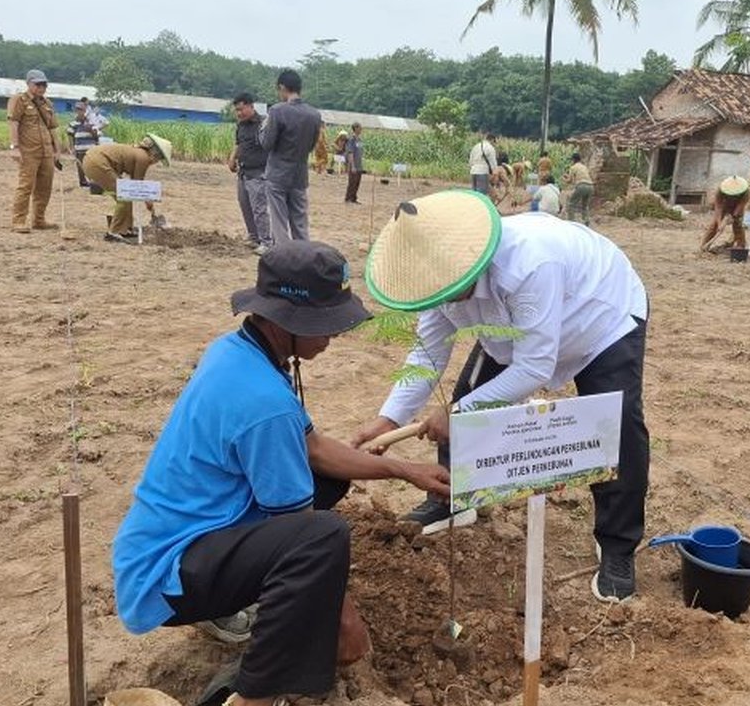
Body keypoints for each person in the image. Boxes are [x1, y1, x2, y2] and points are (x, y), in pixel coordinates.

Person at [112, 242, 450, 706]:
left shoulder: (239, 352)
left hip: (173, 540)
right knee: (322, 537)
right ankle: (255, 694)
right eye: (322, 325)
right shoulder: (263, 405)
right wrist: (344, 624)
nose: (331, 336)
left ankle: (237, 603)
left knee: (327, 481)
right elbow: (303, 533)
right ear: (281, 320)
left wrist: (403, 469)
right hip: (165, 572)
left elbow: (313, 448)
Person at [352, 190, 650, 603]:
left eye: (449, 291)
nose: (441, 300)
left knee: (615, 428)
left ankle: (617, 546)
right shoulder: (433, 278)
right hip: (513, 334)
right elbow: (428, 351)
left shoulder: (529, 263)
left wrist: (458, 413)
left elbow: (534, 368)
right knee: (470, 392)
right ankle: (455, 498)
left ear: (469, 263)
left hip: (599, 321)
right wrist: (390, 418)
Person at [259, 69, 323, 243]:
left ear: (282, 87)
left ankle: (285, 258)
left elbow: (266, 144)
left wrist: (262, 128)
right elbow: (311, 145)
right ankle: (303, 258)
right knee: (300, 223)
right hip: (300, 175)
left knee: (279, 222)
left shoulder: (277, 111)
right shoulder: (314, 115)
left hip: (278, 175)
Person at [82, 134, 172, 244]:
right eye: (159, 158)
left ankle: (125, 229)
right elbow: (138, 185)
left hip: (92, 159)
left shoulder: (138, 153)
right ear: (155, 153)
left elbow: (133, 185)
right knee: (123, 197)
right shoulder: (143, 157)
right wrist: (149, 202)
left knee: (126, 195)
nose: (157, 161)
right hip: (97, 162)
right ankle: (113, 232)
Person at [7, 69, 62, 233]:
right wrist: (14, 147)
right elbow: (14, 123)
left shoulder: (47, 103)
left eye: (44, 84)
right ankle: (18, 220)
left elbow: (53, 128)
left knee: (45, 187)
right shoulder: (19, 100)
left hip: (46, 152)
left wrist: (57, 149)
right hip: (28, 151)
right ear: (29, 84)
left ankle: (39, 220)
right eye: (37, 84)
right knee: (26, 185)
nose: (41, 87)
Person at [229, 93, 273, 255]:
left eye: (241, 109)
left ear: (250, 106)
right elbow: (238, 144)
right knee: (245, 205)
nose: (239, 113)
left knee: (259, 209)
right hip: (243, 172)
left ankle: (266, 242)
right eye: (237, 110)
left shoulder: (264, 124)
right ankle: (254, 237)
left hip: (259, 173)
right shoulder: (241, 125)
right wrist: (232, 158)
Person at [700, 176, 750, 252]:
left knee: (738, 225)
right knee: (714, 225)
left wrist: (733, 216)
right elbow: (718, 207)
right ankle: (704, 245)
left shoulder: (746, 192)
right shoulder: (720, 191)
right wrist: (720, 223)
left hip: (737, 207)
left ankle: (741, 246)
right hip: (724, 205)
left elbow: (741, 205)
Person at [66, 101, 100, 189]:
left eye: (81, 110)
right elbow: (70, 136)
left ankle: (93, 182)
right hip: (79, 148)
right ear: (75, 111)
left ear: (85, 111)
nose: (79, 112)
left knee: (92, 165)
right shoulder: (72, 124)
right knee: (80, 165)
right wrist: (72, 148)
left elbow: (97, 135)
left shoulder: (91, 122)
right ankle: (83, 182)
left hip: (91, 148)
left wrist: (90, 130)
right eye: (77, 110)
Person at [563, 152, 594, 226]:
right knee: (585, 205)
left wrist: (564, 178)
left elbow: (570, 181)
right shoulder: (584, 167)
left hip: (581, 186)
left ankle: (571, 221)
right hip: (590, 186)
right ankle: (586, 220)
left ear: (573, 160)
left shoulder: (573, 167)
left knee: (571, 204)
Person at [343, 122, 364, 205]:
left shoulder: (360, 140)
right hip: (353, 164)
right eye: (360, 127)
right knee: (352, 182)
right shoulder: (352, 139)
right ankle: (348, 198)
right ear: (355, 128)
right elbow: (350, 153)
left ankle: (354, 198)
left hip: (359, 164)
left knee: (357, 182)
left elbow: (360, 152)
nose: (361, 129)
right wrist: (353, 166)